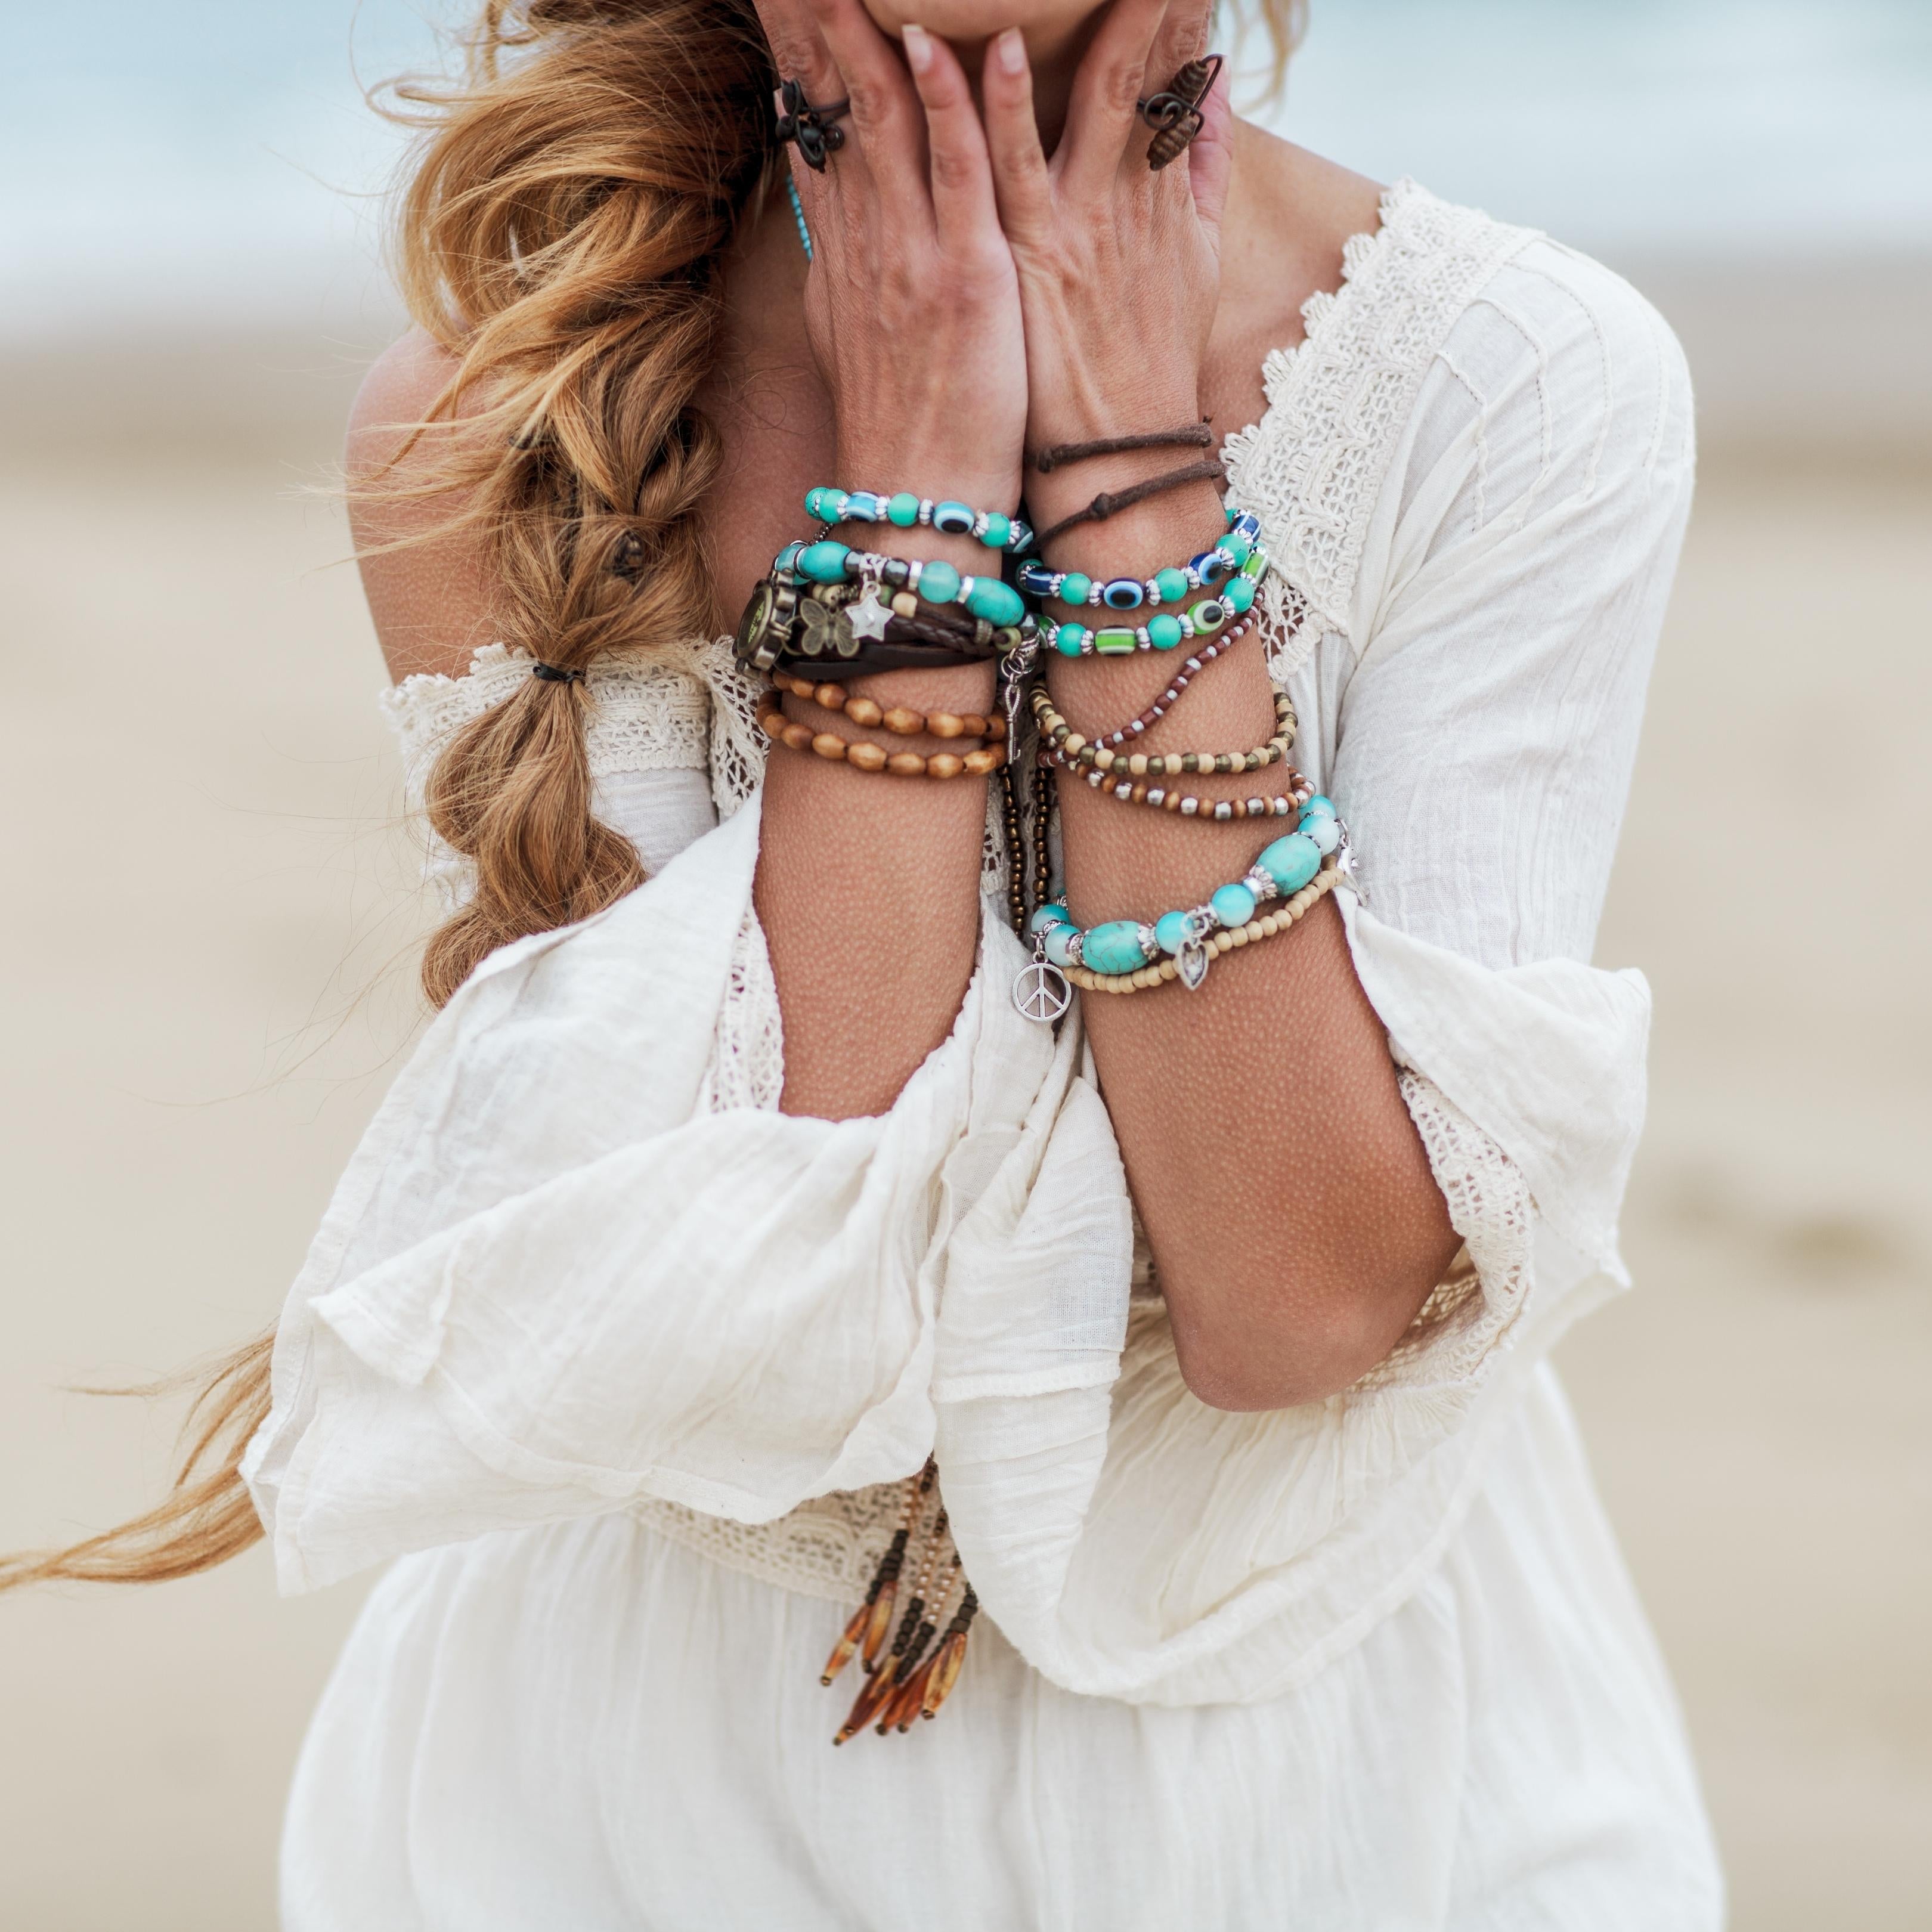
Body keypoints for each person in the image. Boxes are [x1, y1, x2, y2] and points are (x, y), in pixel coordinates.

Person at [7, 0, 1725, 1922]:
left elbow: (1300, 1308)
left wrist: (1132, 486)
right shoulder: (519, 415)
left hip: (1336, 1744)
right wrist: (909, 493)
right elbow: (770, 1307)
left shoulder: (1513, 382)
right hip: (658, 1800)